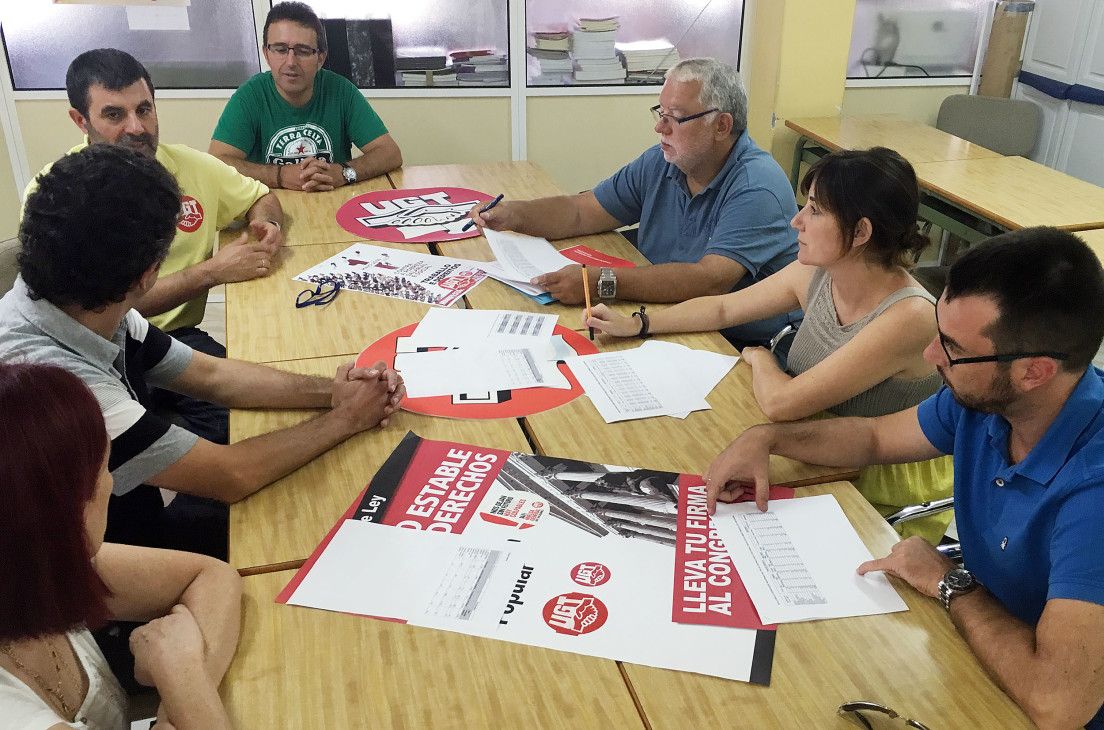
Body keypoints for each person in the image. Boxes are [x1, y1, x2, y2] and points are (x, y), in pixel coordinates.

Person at [705, 227, 1104, 729]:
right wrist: (769, 439)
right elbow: (873, 439)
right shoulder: (992, 400)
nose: (932, 356)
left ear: (1034, 372)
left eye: (953, 347)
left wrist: (948, 581)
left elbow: (1057, 703)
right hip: (988, 655)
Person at [1, 144, 403, 560]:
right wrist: (347, 419)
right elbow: (231, 474)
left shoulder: (85, 302)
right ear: (149, 276)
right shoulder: (63, 386)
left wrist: (332, 393)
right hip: (69, 580)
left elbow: (212, 377)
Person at [589, 147, 952, 542]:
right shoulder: (818, 272)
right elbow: (724, 309)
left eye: (814, 210)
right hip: (806, 441)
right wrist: (639, 323)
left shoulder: (909, 316)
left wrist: (763, 360)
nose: (797, 220)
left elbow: (784, 402)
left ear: (861, 232)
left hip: (876, 483)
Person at [29, 48, 287, 445]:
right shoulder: (59, 194)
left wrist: (265, 221)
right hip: (90, 354)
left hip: (174, 337)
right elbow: (99, 312)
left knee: (249, 417)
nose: (136, 128)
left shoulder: (189, 166)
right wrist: (212, 271)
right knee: (116, 464)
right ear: (80, 120)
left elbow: (261, 195)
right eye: (114, 114)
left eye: (144, 109)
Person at [468, 58, 799, 348]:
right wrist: (513, 214)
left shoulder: (758, 187)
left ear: (722, 125)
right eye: (660, 113)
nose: (659, 127)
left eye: (676, 118)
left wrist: (602, 283)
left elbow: (710, 281)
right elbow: (582, 212)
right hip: (662, 316)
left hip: (739, 344)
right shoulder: (664, 161)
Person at [0, 361, 242, 729]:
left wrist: (187, 697)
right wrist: (182, 679)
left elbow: (212, 575)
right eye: (103, 469)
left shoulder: (29, 566)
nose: (111, 484)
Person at [209, 1, 403, 192]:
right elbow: (216, 163)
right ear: (266, 54)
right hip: (270, 207)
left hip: (333, 203)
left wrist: (343, 173)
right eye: (280, 49)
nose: (291, 62)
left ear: (320, 58)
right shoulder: (249, 96)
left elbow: (390, 153)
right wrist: (280, 175)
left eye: (302, 51)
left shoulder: (341, 90)